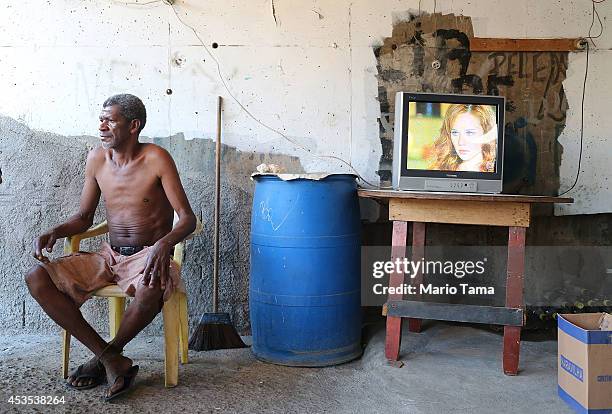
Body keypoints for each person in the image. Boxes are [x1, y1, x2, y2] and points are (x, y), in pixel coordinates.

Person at [24, 94, 197, 401]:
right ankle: (111, 359)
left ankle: (102, 358)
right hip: (109, 255)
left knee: (151, 285)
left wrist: (163, 244)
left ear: (134, 126)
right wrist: (56, 230)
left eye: (110, 120)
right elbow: (83, 218)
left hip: (148, 256)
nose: (101, 126)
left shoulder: (157, 158)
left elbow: (187, 219)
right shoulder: (96, 159)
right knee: (36, 276)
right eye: (101, 119)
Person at [428, 104, 497, 172]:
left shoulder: (496, 171)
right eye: (455, 133)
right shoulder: (440, 170)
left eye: (469, 133)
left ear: (486, 133)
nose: (460, 142)